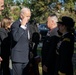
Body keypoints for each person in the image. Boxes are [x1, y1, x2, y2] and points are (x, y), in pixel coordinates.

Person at [11, 7, 31, 75]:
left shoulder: (28, 25)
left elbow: (28, 39)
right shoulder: (15, 25)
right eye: (27, 16)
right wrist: (22, 26)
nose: (28, 18)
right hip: (18, 58)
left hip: (26, 57)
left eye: (29, 16)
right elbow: (15, 38)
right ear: (21, 15)